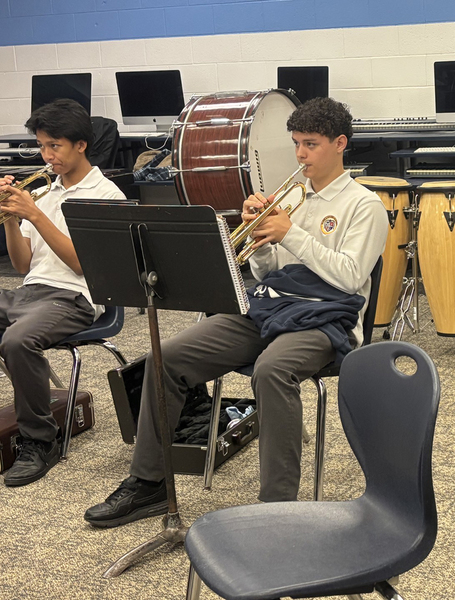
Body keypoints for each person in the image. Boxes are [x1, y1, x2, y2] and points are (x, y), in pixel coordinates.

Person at [84, 97, 388, 526]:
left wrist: (290, 232)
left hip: (326, 318)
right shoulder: (293, 197)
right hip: (271, 306)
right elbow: (267, 271)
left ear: (340, 144)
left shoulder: (364, 205)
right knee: (166, 358)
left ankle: (277, 508)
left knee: (272, 370)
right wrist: (261, 237)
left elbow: (350, 277)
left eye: (311, 144)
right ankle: (149, 482)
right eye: (296, 143)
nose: (301, 155)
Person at [0, 98, 126, 487]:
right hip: (31, 291)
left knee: (18, 340)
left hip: (74, 297)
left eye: (54, 146)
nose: (46, 155)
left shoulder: (106, 197)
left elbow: (82, 266)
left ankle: (41, 442)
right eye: (42, 146)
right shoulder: (45, 193)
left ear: (80, 145)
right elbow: (22, 265)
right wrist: (11, 219)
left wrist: (34, 214)